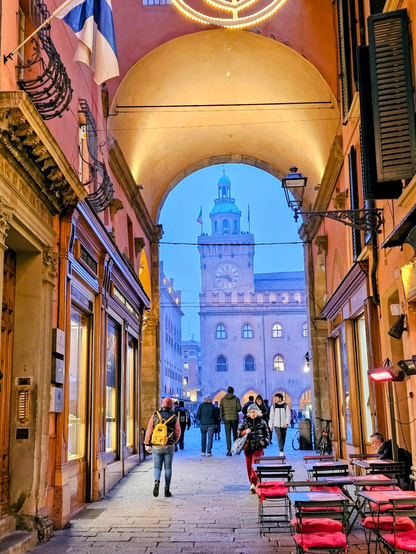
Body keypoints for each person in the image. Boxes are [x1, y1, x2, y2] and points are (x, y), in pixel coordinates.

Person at [145, 397, 181, 498]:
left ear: (162, 404)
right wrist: (174, 441)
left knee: (157, 467)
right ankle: (167, 490)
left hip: (156, 445)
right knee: (168, 468)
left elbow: (149, 430)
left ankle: (157, 481)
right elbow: (178, 431)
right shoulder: (174, 416)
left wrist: (147, 443)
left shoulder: (155, 415)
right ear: (171, 405)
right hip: (169, 446)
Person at [237, 403, 270, 493]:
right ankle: (252, 483)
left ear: (258, 412)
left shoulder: (262, 422)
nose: (253, 414)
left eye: (254, 412)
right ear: (248, 413)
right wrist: (244, 431)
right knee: (248, 465)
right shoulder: (244, 422)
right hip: (248, 447)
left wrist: (264, 442)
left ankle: (255, 482)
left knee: (254, 464)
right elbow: (238, 433)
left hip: (258, 447)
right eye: (251, 412)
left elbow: (267, 435)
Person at [220, 386, 242, 456]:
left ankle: (229, 450)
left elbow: (221, 410)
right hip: (234, 418)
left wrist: (222, 417)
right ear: (233, 391)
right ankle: (235, 448)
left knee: (228, 435)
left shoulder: (223, 399)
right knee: (235, 434)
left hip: (226, 419)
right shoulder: (236, 399)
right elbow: (239, 409)